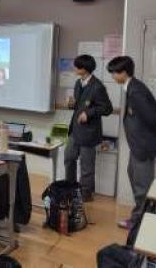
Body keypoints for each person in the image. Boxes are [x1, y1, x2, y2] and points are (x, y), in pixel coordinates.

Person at [107, 56, 156, 230]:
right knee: (133, 175)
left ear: (123, 72)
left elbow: (152, 117)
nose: (112, 76)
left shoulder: (136, 91)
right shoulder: (131, 87)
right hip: (138, 146)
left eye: (114, 73)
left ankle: (139, 222)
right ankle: (143, 216)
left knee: (142, 186)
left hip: (144, 146)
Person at [64, 55, 113, 202]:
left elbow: (107, 108)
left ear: (83, 69)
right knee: (69, 158)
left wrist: (89, 113)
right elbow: (79, 105)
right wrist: (72, 104)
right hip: (75, 130)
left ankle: (85, 195)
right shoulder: (78, 83)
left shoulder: (98, 86)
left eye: (76, 66)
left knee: (86, 167)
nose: (73, 68)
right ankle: (70, 188)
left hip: (89, 133)